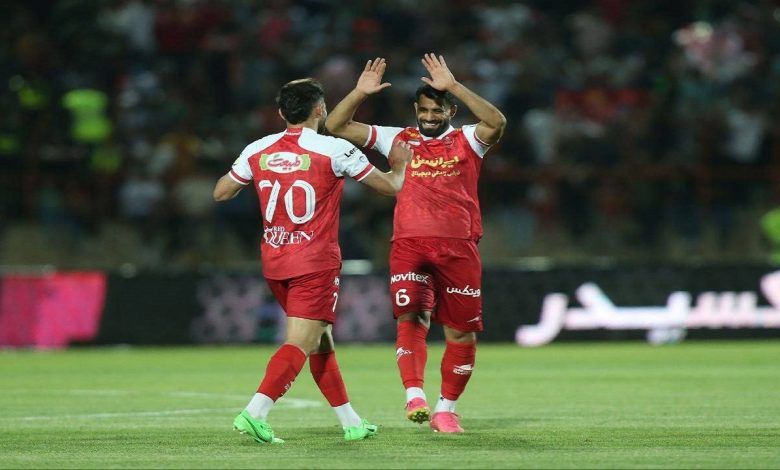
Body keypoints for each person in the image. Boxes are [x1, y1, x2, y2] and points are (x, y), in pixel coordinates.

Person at [213, 78, 413, 443]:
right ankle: (255, 412)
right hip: (314, 263)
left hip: (275, 261)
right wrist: (398, 166)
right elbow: (390, 187)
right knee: (300, 344)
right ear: (320, 110)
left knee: (321, 341)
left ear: (281, 112)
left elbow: (221, 192)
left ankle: (351, 422)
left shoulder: (258, 148)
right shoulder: (334, 149)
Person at [325, 54, 507, 433]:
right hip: (409, 245)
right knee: (411, 318)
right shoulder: (396, 138)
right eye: (423, 110)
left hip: (459, 247)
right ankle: (414, 396)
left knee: (461, 333)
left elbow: (497, 122)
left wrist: (453, 85)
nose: (429, 116)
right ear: (415, 110)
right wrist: (360, 93)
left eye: (437, 110)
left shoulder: (468, 140)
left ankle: (446, 410)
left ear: (451, 111)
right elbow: (336, 125)